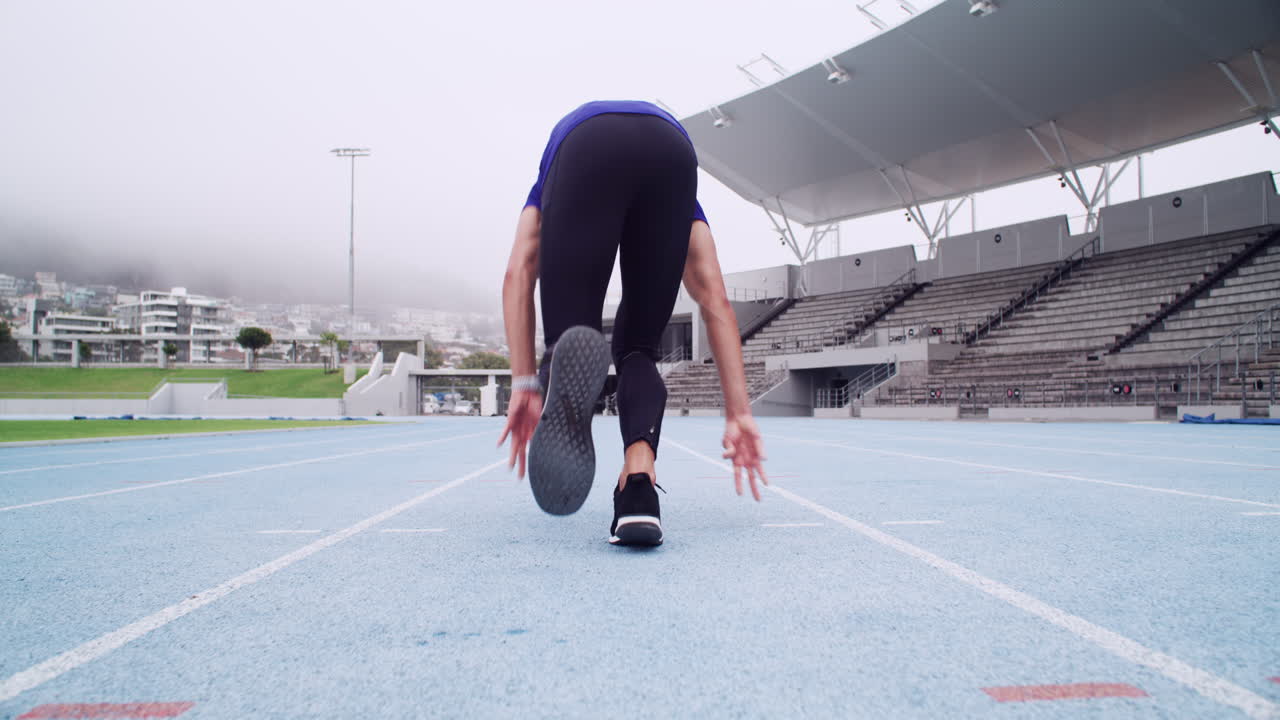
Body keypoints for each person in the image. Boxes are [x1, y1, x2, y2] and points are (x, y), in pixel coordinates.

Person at [498, 100, 767, 546]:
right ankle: (639, 482)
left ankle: (558, 375)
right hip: (672, 148)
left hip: (584, 140)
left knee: (571, 333)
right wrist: (739, 412)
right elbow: (714, 297)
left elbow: (520, 270)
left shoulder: (547, 180)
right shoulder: (687, 202)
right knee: (639, 348)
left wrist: (525, 383)